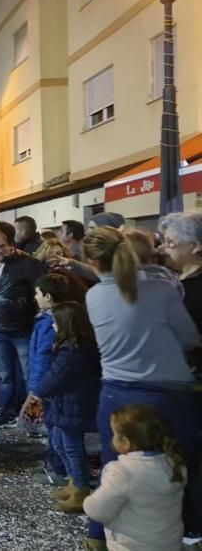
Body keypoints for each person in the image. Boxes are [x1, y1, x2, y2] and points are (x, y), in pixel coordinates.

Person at [82, 227, 201, 548]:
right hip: (170, 392)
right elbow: (190, 337)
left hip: (117, 392)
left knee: (114, 468)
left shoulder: (94, 295)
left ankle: (97, 536)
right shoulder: (162, 290)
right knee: (180, 467)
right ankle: (186, 533)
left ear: (92, 262)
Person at [84, 405, 188, 550]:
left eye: (114, 434)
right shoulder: (174, 464)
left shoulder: (122, 472)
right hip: (170, 544)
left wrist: (89, 499)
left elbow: (97, 511)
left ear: (125, 443)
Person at [31, 302, 101, 513]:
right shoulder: (70, 347)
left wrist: (39, 390)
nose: (52, 326)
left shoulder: (72, 352)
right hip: (65, 405)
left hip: (72, 406)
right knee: (61, 445)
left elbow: (55, 377)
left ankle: (80, 489)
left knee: (71, 448)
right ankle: (73, 483)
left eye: (55, 323)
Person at [0, 229, 44, 428]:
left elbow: (39, 292)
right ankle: (7, 411)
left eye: (1, 246)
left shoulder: (28, 265)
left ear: (8, 243)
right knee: (4, 375)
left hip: (22, 329)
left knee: (29, 376)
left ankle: (32, 418)